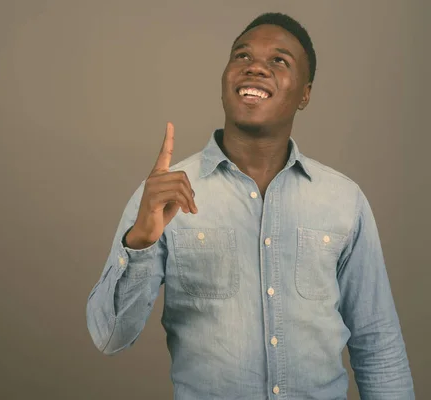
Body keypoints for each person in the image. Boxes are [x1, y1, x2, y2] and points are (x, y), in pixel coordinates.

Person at [86, 12, 415, 400]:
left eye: (279, 60)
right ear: (225, 80)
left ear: (305, 93)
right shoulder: (162, 196)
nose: (255, 66)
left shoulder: (344, 201)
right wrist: (139, 241)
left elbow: (377, 344)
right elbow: (109, 337)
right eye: (242, 56)